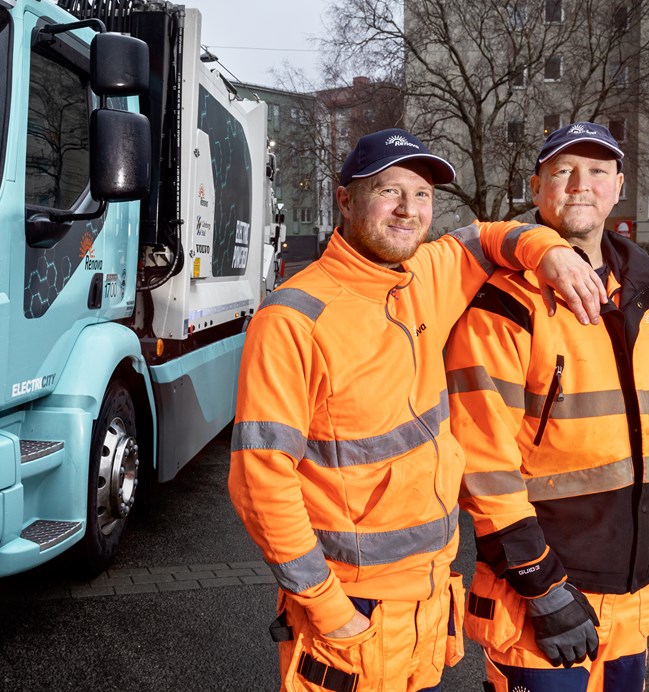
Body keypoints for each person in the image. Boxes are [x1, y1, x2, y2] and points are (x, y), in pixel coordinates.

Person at [228, 128, 608, 692]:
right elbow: (259, 483)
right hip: (352, 602)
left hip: (428, 595)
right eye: (389, 190)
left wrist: (549, 251)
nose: (410, 209)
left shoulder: (422, 276)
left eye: (424, 194)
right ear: (344, 200)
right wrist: (329, 608)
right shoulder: (291, 320)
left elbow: (488, 237)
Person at [445, 122, 649, 692]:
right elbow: (480, 461)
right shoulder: (506, 301)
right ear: (536, 186)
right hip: (543, 598)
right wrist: (541, 587)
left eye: (597, 171)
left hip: (637, 592)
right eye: (562, 171)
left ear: (618, 187)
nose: (580, 184)